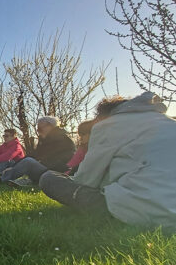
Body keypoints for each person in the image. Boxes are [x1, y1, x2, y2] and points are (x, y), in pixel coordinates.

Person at [38, 92, 176, 229]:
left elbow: (86, 180)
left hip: (145, 213)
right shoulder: (169, 123)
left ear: (102, 117)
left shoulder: (109, 125)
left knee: (48, 178)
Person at [0, 117, 75, 183]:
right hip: (46, 169)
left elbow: (64, 160)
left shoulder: (62, 140)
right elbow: (34, 154)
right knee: (25, 161)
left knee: (27, 162)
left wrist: (42, 164)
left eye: (40, 128)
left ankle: (1, 179)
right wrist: (15, 166)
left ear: (49, 126)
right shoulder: (46, 140)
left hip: (54, 172)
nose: (38, 131)